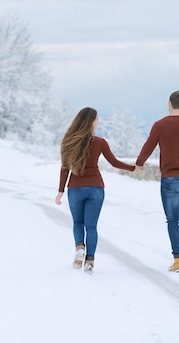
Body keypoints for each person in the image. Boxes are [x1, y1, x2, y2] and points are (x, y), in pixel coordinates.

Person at [55, 107, 135, 274]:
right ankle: (90, 261)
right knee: (91, 226)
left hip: (75, 189)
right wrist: (133, 168)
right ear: (90, 122)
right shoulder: (100, 142)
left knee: (78, 222)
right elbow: (114, 162)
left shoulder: (68, 141)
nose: (99, 122)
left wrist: (61, 191)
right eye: (97, 119)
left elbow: (64, 168)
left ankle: (79, 248)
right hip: (96, 189)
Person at [135, 91, 179, 272]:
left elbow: (149, 146)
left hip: (170, 178)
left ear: (169, 103)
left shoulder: (160, 125)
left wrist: (139, 163)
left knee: (173, 218)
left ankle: (178, 259)